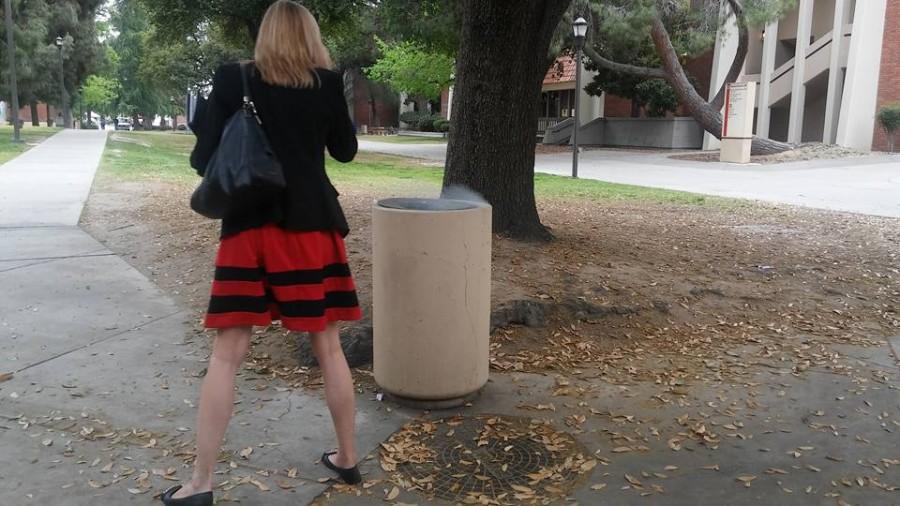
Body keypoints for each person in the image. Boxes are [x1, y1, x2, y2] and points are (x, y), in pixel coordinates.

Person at [161, 2, 361, 504]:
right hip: (313, 228)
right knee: (330, 349)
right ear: (312, 37)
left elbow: (203, 160)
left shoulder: (234, 79)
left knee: (226, 358)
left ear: (265, 36)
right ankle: (348, 459)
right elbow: (345, 151)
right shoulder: (328, 83)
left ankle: (201, 484)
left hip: (250, 228)